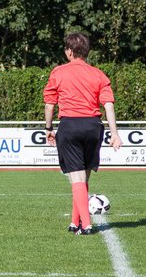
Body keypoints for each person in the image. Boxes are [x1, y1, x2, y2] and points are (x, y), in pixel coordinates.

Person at [44, 32, 122, 234]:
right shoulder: (98, 74)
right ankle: (74, 222)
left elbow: (50, 104)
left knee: (76, 178)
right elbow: (108, 105)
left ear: (69, 52)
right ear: (86, 52)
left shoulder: (58, 72)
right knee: (83, 179)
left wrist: (49, 129)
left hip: (70, 126)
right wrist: (115, 134)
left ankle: (86, 225)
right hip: (93, 127)